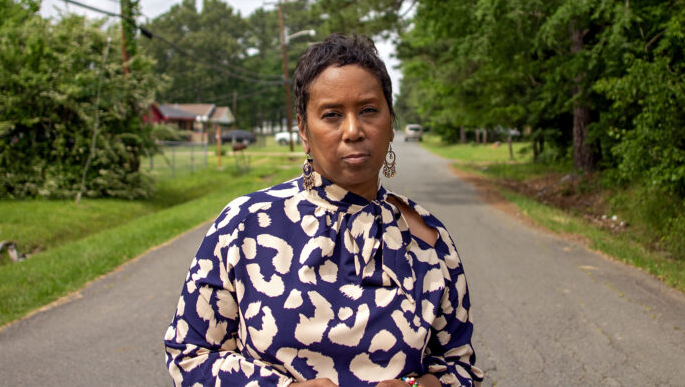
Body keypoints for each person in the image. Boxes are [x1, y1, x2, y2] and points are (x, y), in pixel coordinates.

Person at [164, 33, 483, 386]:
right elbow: (190, 355)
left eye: (369, 110)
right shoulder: (244, 225)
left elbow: (459, 367)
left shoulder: (428, 240)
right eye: (331, 115)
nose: (353, 130)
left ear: (390, 123)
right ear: (304, 129)